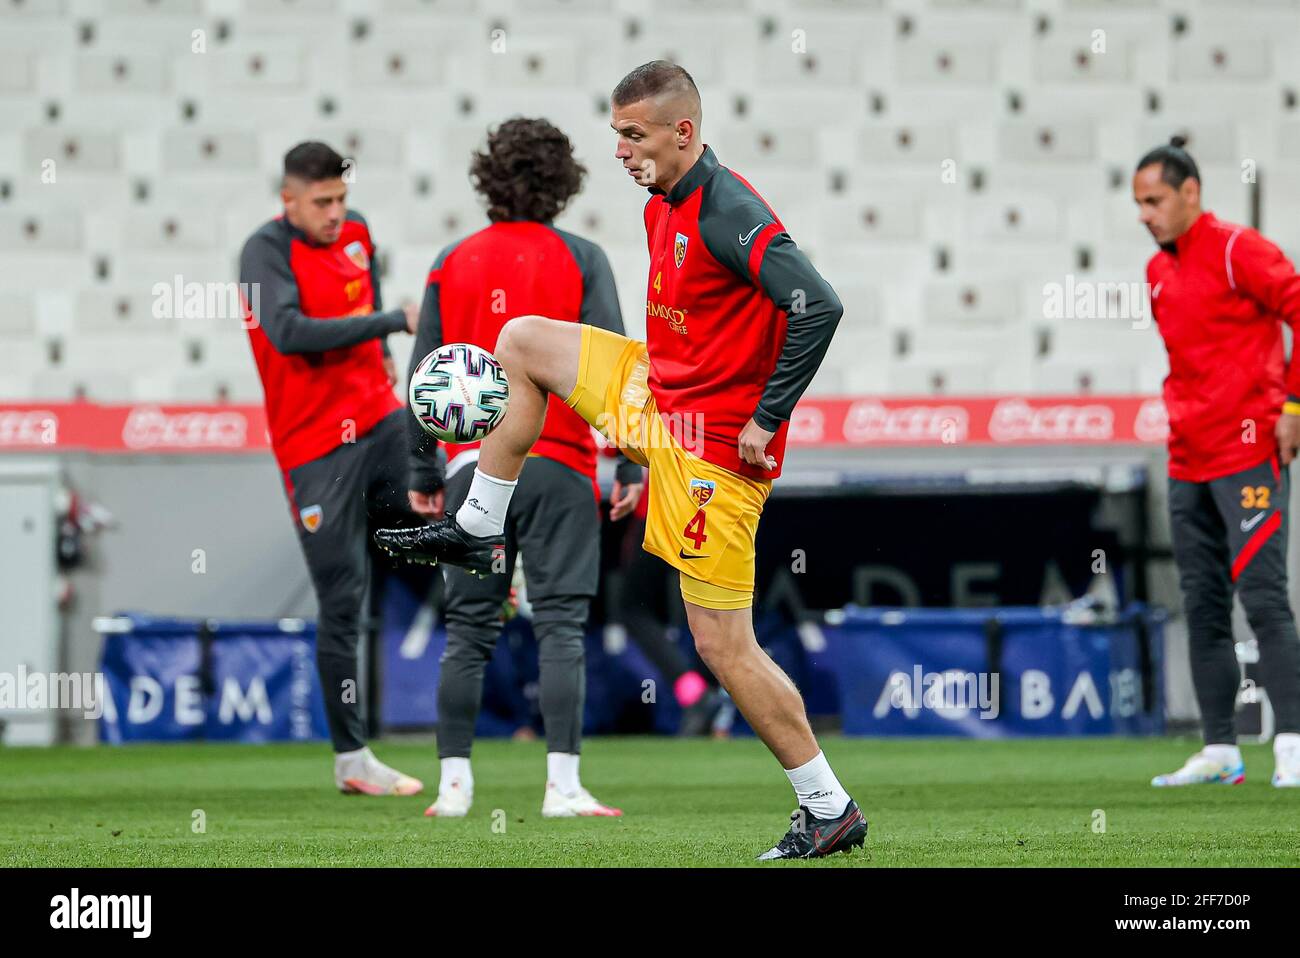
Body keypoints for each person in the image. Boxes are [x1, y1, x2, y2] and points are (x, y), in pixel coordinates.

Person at [378, 62, 867, 859]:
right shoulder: (663, 204)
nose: (621, 152)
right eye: (615, 137)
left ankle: (828, 806)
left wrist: (768, 415)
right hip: (658, 397)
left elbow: (819, 303)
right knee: (521, 342)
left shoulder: (729, 208)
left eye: (632, 136)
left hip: (712, 450)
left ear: (683, 132)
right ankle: (477, 523)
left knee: (722, 647)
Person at [406, 117, 642, 818]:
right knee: (562, 627)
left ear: (488, 175)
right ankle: (563, 788)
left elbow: (422, 378)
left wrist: (424, 475)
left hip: (474, 466)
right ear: (564, 181)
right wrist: (628, 465)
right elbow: (613, 374)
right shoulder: (584, 258)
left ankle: (454, 787)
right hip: (562, 464)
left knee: (468, 631)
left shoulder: (453, 259)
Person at [239, 141, 425, 796]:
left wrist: (381, 358)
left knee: (440, 495)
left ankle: (493, 567)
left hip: (376, 417)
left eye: (342, 199)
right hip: (313, 447)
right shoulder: (264, 253)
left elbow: (362, 298)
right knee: (343, 599)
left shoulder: (359, 234)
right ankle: (352, 760)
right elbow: (289, 332)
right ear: (288, 200)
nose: (336, 213)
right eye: (322, 202)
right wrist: (389, 321)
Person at [1135, 137, 1300, 787]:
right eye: (1137, 204)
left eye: (1154, 201)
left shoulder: (1238, 249)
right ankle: (1221, 749)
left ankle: (1291, 743)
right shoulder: (1157, 272)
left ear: (1189, 193)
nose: (1144, 214)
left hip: (1248, 452)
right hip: (1187, 457)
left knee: (1263, 599)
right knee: (1202, 604)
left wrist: (1294, 406)